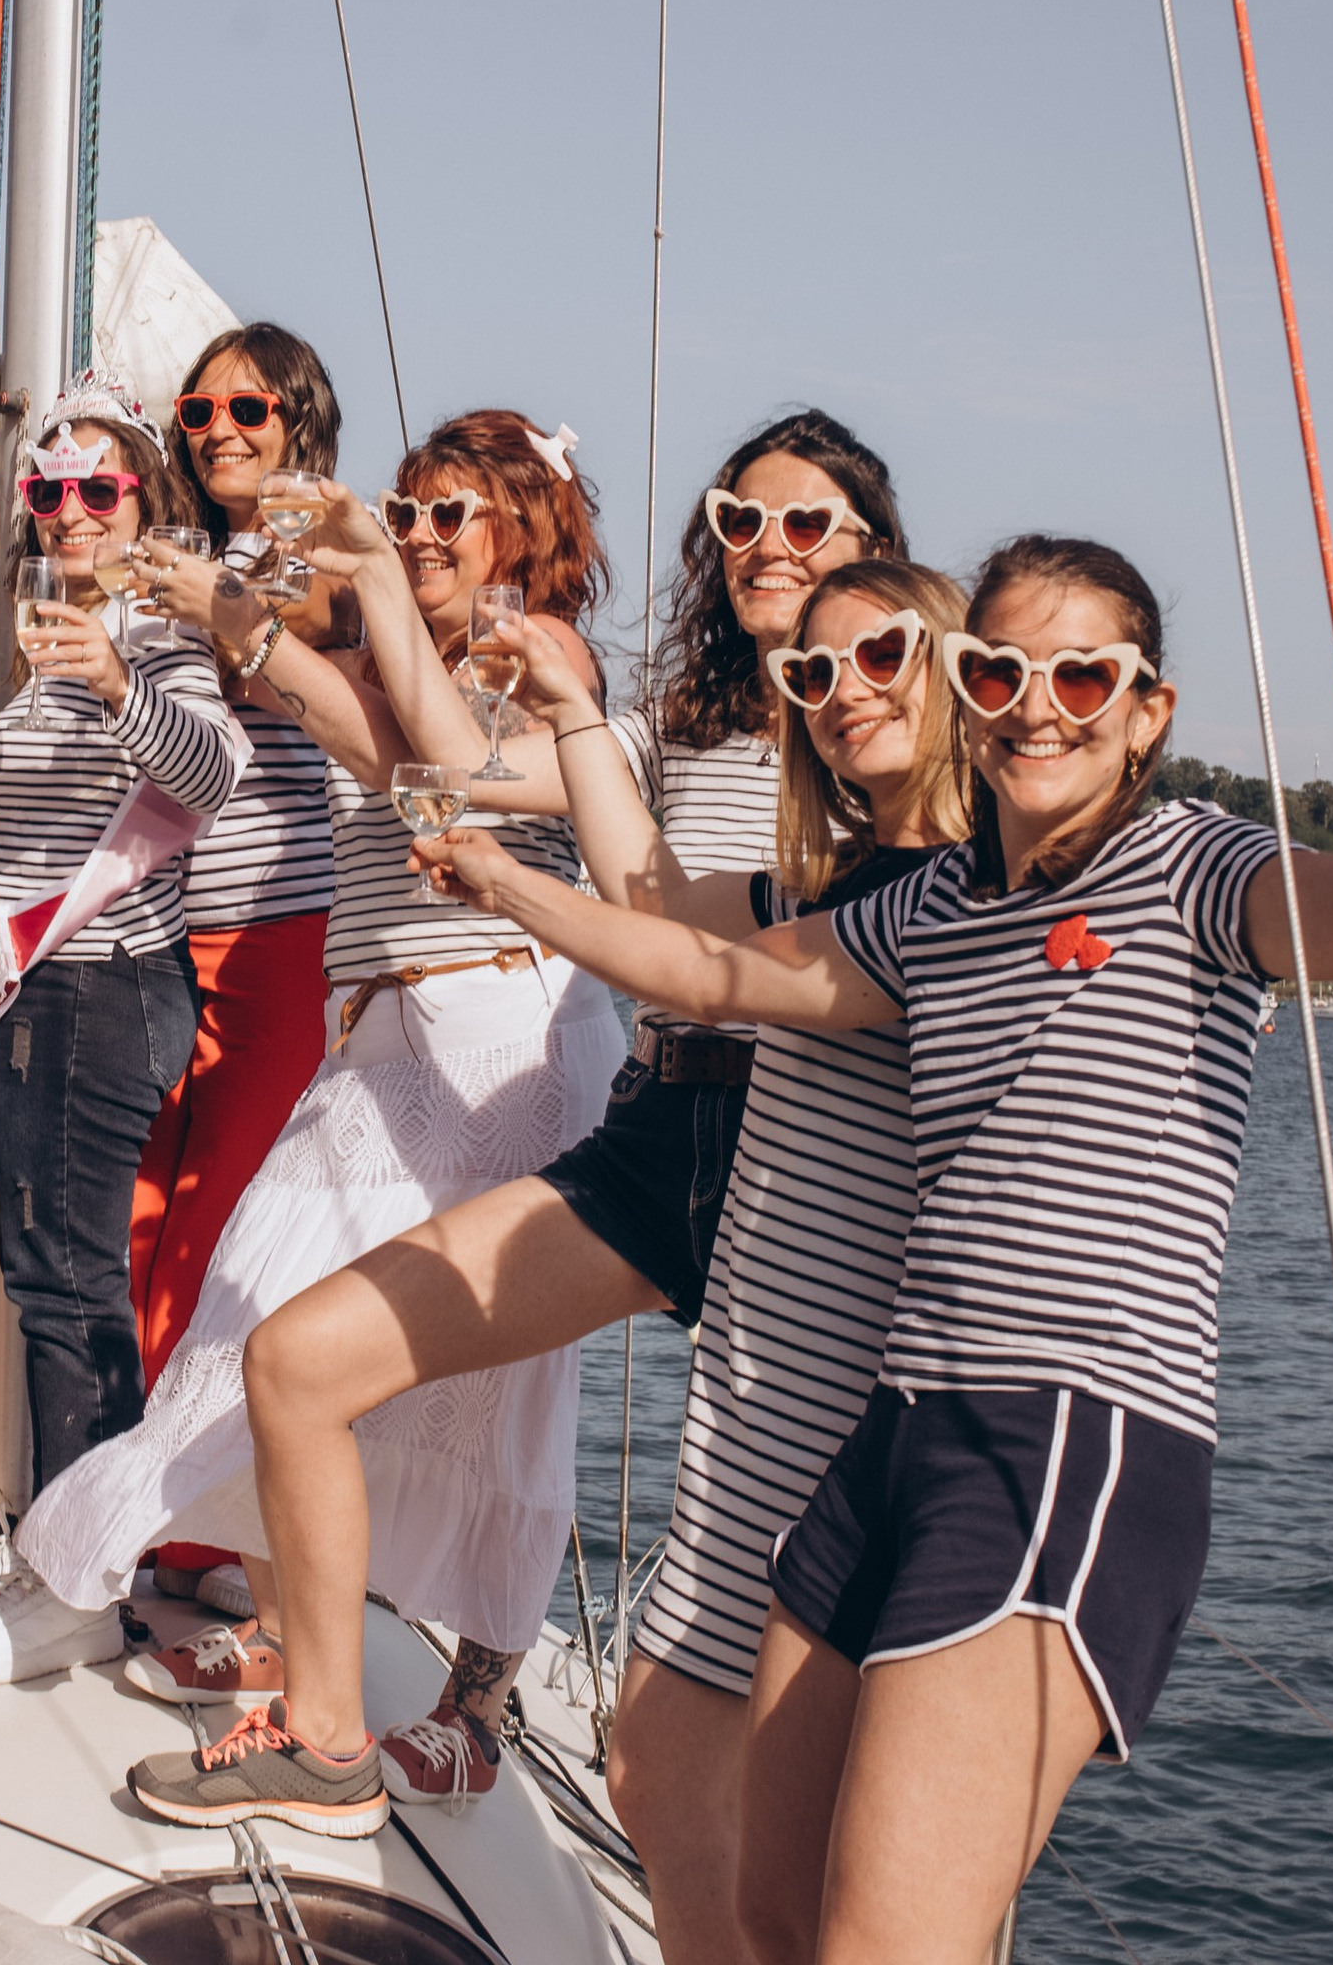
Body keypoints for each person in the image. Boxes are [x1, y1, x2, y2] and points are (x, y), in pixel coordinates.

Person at [417, 459, 1333, 1965]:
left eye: (1089, 674)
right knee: (769, 1897)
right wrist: (508, 884)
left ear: (1148, 709)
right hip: (896, 1434)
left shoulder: (1193, 867)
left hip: (1069, 1436)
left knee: (888, 1941)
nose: (1042, 702)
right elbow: (715, 975)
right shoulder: (935, 906)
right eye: (1004, 668)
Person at [233, 556, 964, 1926]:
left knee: (803, 1835)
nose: (838, 693)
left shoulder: (972, 894)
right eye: (814, 673)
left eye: (883, 659)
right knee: (301, 1360)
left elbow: (707, 969)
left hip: (857, 1322)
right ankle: (323, 1744)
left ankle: (467, 1703)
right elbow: (664, 908)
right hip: (682, 1168)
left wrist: (509, 889)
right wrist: (568, 721)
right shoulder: (828, 870)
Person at [14, 411, 616, 1833]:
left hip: (511, 1024)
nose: (419, 535)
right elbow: (326, 707)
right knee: (255, 1306)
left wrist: (267, 613)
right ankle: (283, 1634)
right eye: (408, 511)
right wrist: (238, 609)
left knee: (502, 1382)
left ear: (526, 535)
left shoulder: (551, 668)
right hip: (388, 1031)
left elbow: (417, 754)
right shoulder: (381, 640)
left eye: (454, 516)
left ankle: (473, 1704)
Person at [0, 373, 244, 1681]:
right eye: (47, 491)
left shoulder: (154, 636)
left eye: (96, 490)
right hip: (26, 988)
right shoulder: (34, 641)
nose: (67, 511)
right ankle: (58, 1536)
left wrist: (115, 678)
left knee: (70, 1277)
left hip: (103, 982)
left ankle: (77, 1584)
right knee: (42, 1264)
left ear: (142, 501)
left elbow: (209, 778)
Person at [124, 324, 342, 1602]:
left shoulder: (317, 549)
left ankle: (206, 1528)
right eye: (196, 409)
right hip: (152, 922)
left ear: (296, 412)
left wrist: (198, 600)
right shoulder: (186, 552)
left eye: (246, 406)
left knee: (220, 1228)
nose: (218, 428)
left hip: (275, 929)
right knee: (137, 1224)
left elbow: (304, 626)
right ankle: (138, 1495)